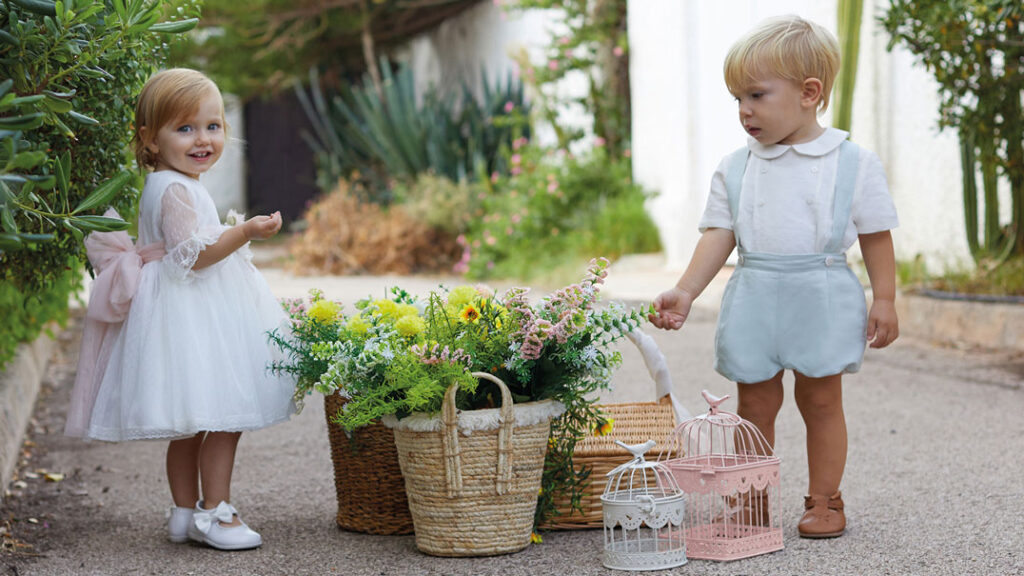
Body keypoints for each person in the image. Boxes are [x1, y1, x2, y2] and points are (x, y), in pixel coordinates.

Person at [649, 15, 899, 539]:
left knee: (822, 399)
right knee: (754, 404)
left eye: (757, 95)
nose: (744, 110)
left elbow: (876, 234)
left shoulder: (851, 162)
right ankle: (750, 499)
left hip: (822, 295)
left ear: (810, 93)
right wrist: (687, 291)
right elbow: (719, 233)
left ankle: (825, 499)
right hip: (756, 295)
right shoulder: (736, 167)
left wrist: (885, 299)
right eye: (738, 97)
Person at [65, 68, 296, 550]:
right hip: (193, 311)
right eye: (184, 128)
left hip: (185, 312)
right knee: (226, 416)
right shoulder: (174, 188)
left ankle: (183, 513)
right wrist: (244, 232)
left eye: (212, 127)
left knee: (191, 424)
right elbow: (194, 255)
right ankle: (214, 513)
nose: (202, 139)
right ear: (150, 137)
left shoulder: (171, 181)